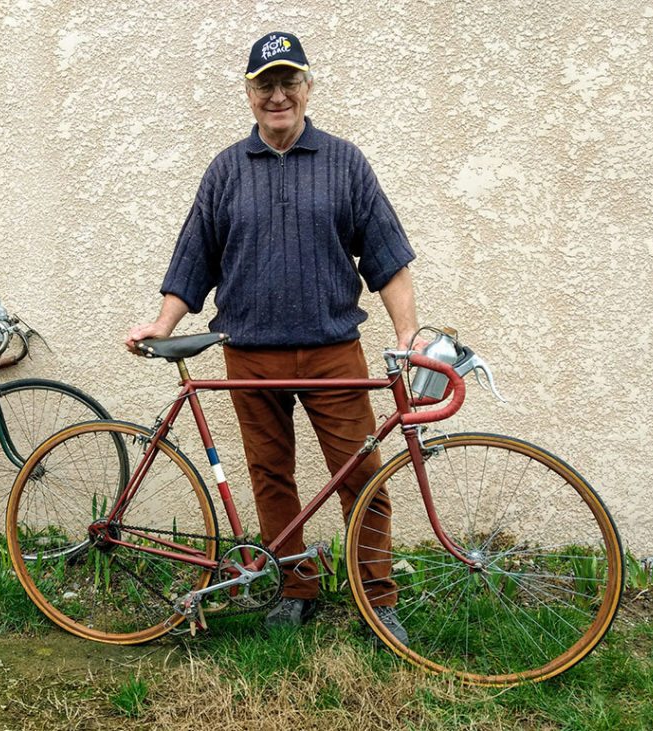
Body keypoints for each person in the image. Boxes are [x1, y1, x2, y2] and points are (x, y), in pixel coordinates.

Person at [126, 32, 418, 642]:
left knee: (361, 475)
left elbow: (387, 258)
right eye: (265, 84)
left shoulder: (345, 162)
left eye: (289, 82)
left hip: (333, 350)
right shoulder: (226, 169)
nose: (277, 95)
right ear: (250, 93)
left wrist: (408, 333)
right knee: (271, 475)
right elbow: (194, 260)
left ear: (308, 88)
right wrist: (164, 323)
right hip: (250, 352)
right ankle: (296, 586)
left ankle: (377, 596)